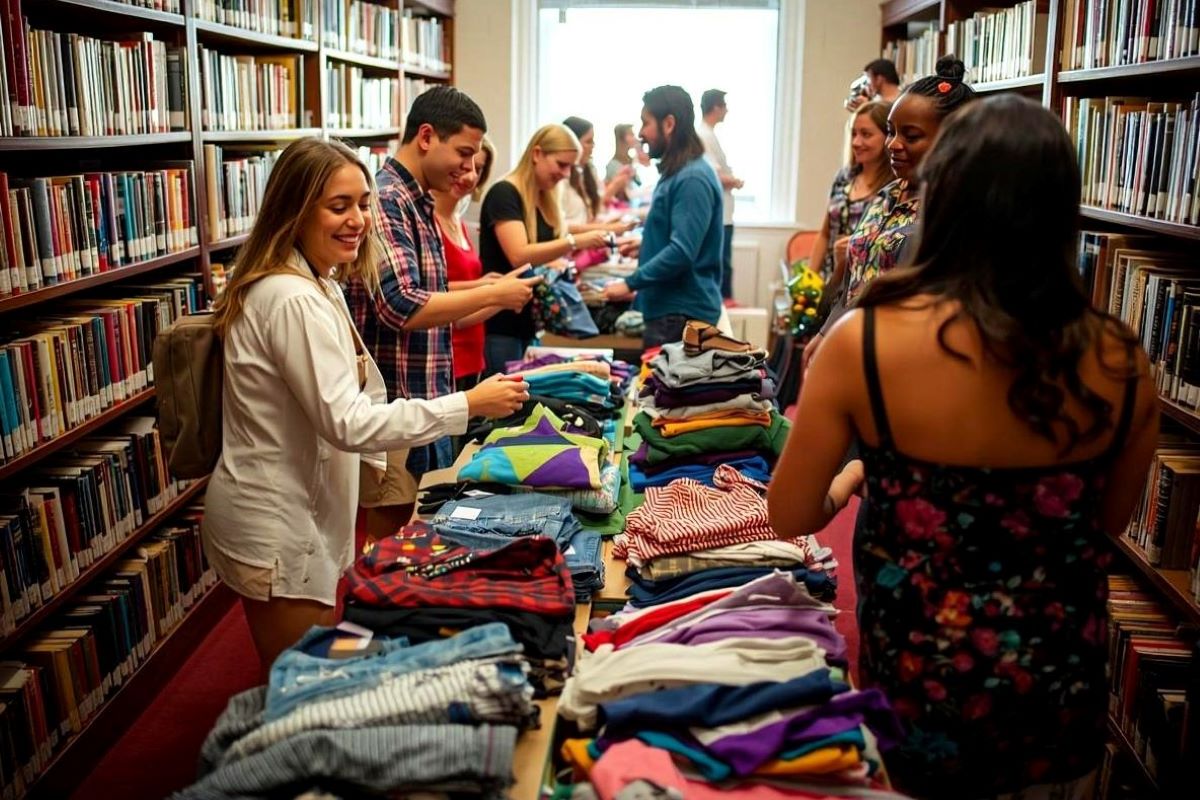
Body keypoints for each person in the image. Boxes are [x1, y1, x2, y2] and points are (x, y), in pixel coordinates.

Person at [767, 95, 1159, 799]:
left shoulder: (867, 340)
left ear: (940, 198)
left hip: (920, 682)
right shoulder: (1123, 360)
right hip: (1055, 682)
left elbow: (791, 513)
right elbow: (1106, 524)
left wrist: (864, 467)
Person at [202, 138, 532, 669]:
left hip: (299, 510)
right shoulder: (291, 298)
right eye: (339, 206)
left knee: (313, 671)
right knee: (305, 686)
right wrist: (466, 404)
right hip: (278, 521)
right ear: (294, 210)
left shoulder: (318, 281)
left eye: (362, 205)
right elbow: (348, 423)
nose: (357, 220)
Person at [346, 86, 540, 541]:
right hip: (396, 406)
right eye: (464, 152)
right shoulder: (387, 199)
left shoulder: (419, 202)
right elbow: (401, 305)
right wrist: (492, 294)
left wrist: (485, 288)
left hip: (426, 401)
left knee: (420, 530)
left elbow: (429, 293)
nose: (469, 167)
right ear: (428, 136)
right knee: (391, 540)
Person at [805, 57, 976, 369]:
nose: (893, 145)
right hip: (852, 351)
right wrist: (827, 330)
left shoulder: (956, 212)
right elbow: (856, 277)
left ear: (954, 140)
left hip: (900, 368)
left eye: (910, 136)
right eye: (890, 132)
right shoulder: (889, 192)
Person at [481, 124, 611, 374]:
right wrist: (575, 243)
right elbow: (519, 254)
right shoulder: (504, 194)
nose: (566, 174)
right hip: (502, 324)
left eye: (571, 167)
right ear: (537, 153)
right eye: (561, 165)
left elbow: (553, 236)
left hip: (529, 322)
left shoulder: (542, 197)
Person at [603, 86, 723, 348]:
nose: (642, 132)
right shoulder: (678, 172)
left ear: (669, 123)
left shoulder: (692, 177)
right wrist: (647, 245)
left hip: (680, 314)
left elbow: (682, 251)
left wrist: (629, 284)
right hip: (671, 312)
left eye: (646, 122)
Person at [431, 135, 499, 391]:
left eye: (478, 169)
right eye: (464, 166)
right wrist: (493, 293)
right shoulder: (430, 223)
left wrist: (487, 288)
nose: (469, 176)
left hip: (473, 354)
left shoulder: (458, 221)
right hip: (449, 355)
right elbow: (433, 293)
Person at [811, 100, 892, 300]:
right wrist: (809, 278)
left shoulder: (894, 188)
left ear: (888, 137)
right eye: (854, 133)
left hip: (865, 292)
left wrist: (857, 247)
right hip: (832, 284)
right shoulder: (844, 176)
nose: (856, 142)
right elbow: (825, 232)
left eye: (866, 134)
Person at [696, 89, 743, 304]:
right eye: (724, 105)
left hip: (724, 209)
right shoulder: (703, 135)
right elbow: (713, 173)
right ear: (716, 107)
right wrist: (734, 181)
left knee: (724, 258)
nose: (727, 110)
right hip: (720, 210)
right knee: (722, 259)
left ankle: (725, 298)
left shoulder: (708, 134)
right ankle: (724, 299)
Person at [560, 115, 634, 234]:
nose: (593, 146)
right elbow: (564, 227)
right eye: (588, 142)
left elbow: (594, 211)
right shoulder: (561, 178)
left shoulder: (588, 170)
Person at [605, 123, 650, 204]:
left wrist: (639, 151)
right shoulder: (613, 165)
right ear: (622, 138)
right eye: (631, 134)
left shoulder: (632, 161)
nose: (635, 138)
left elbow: (640, 183)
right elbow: (623, 194)